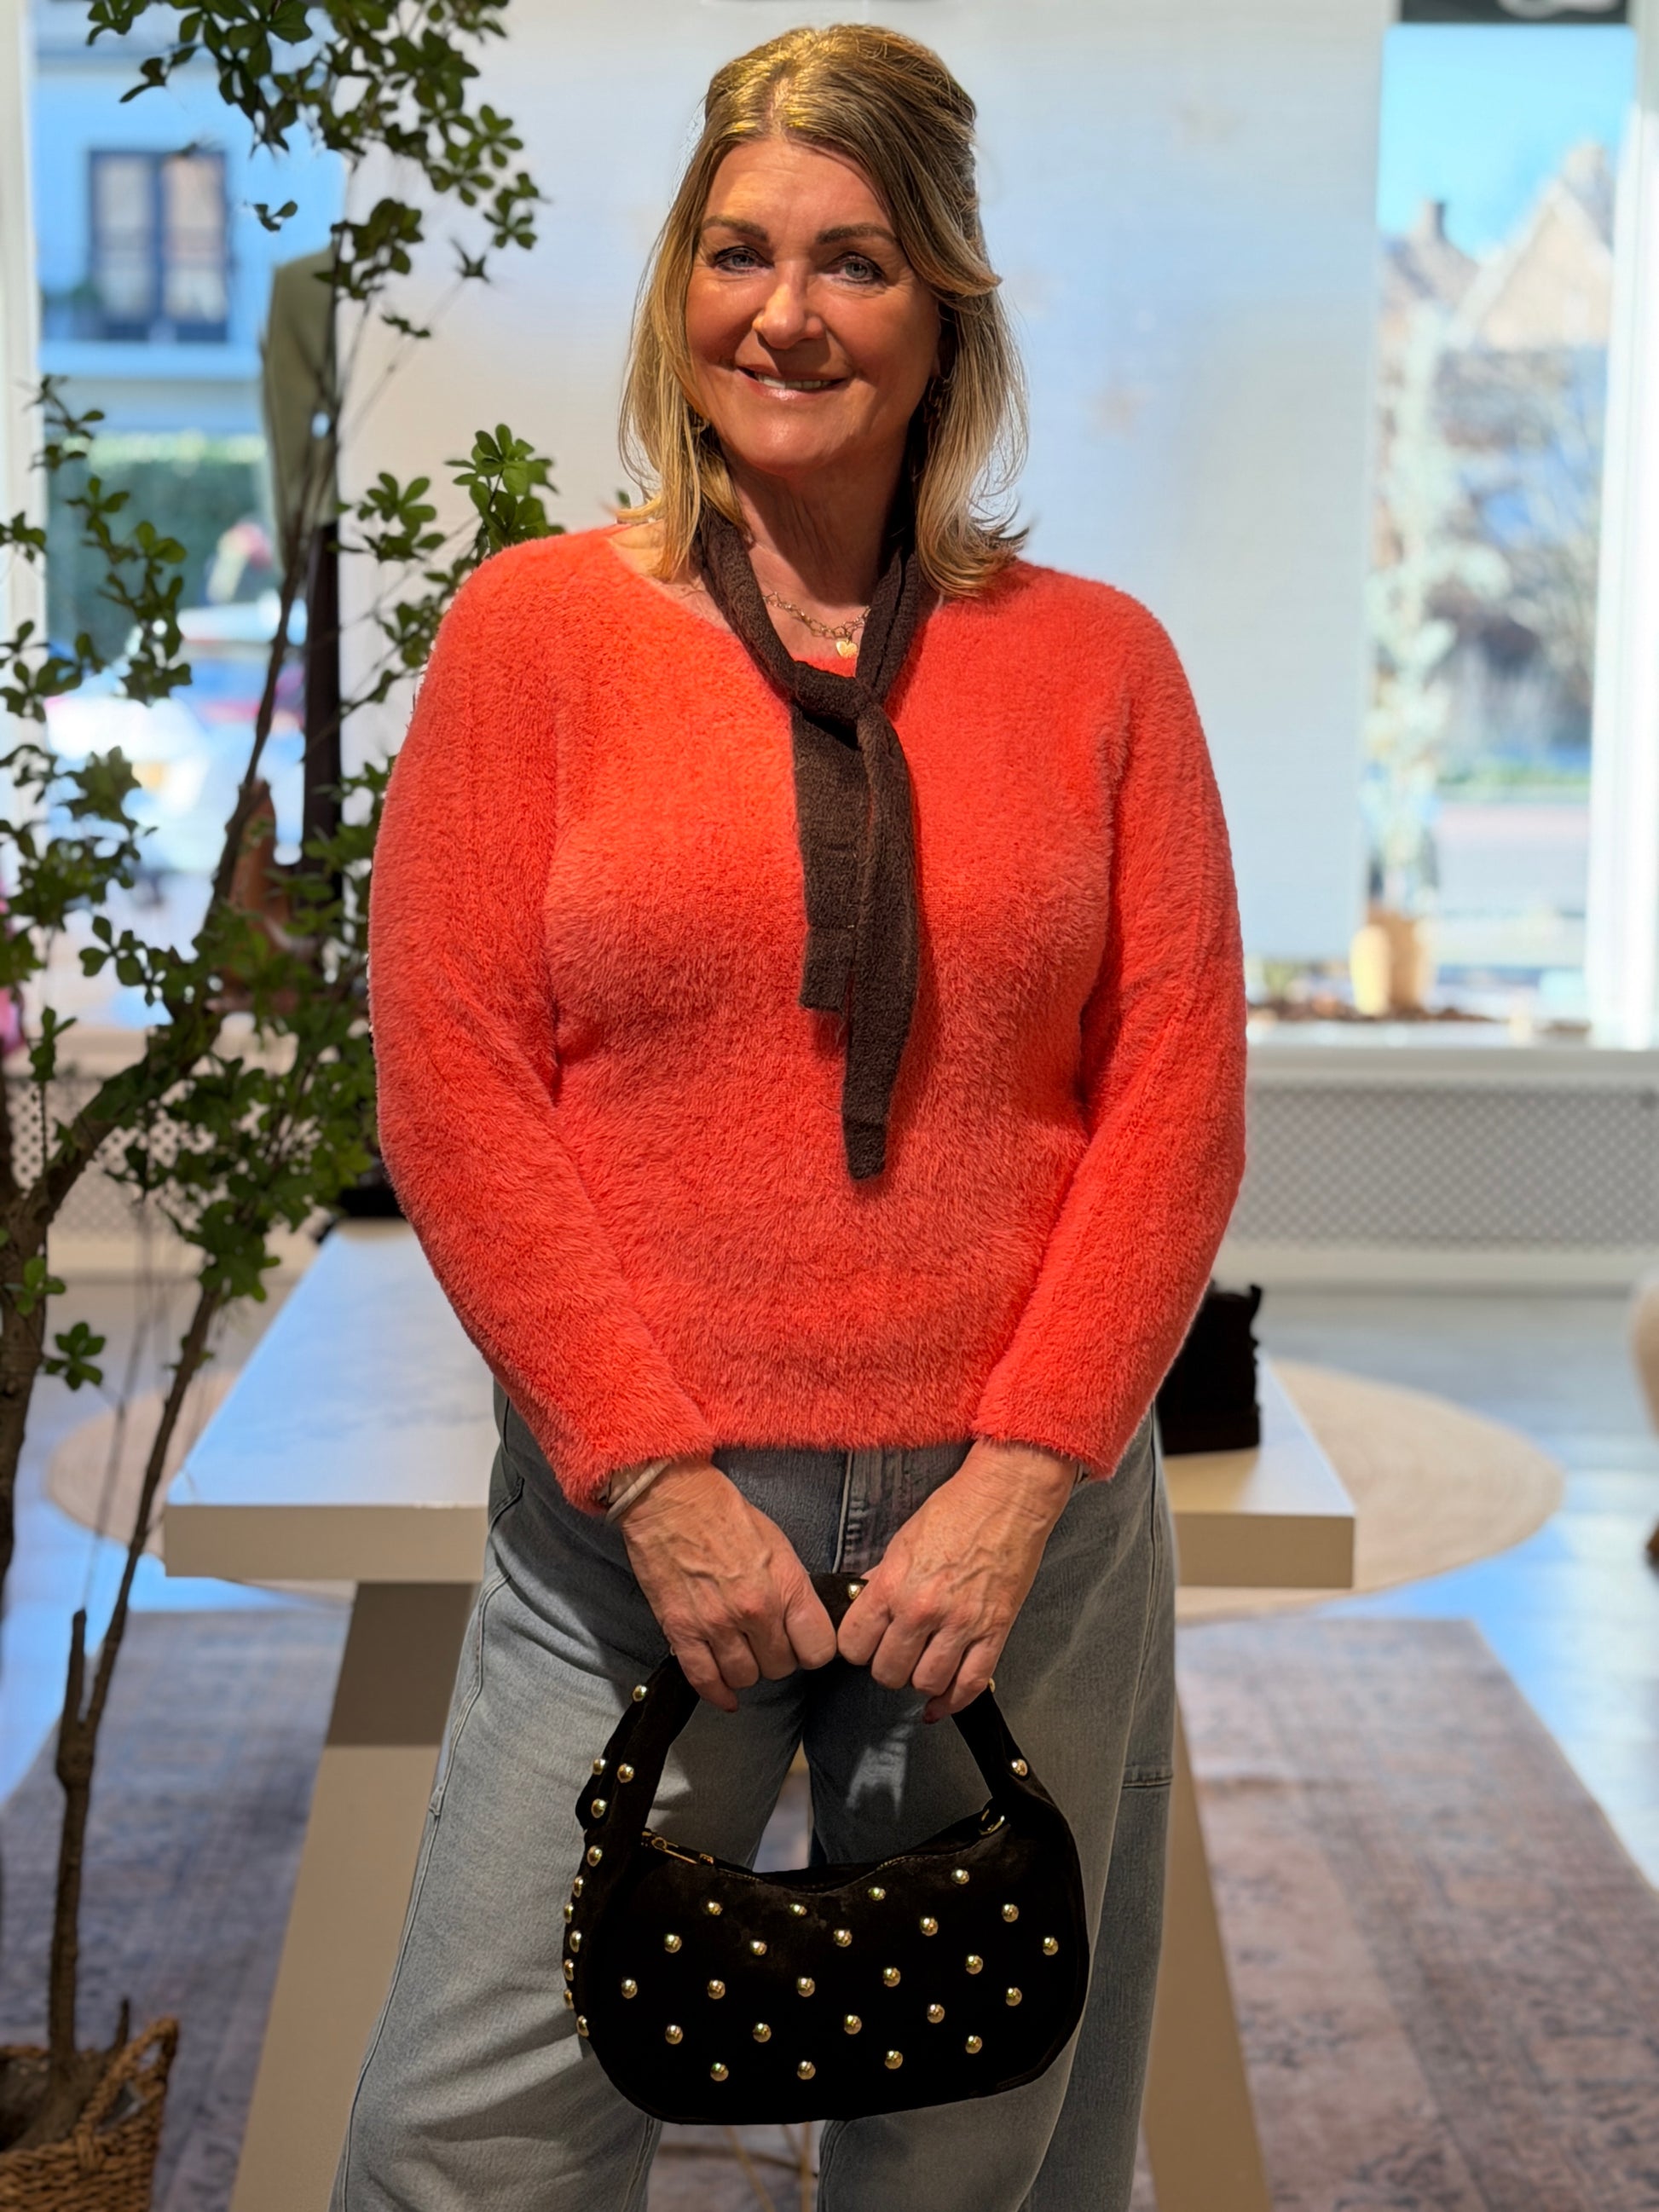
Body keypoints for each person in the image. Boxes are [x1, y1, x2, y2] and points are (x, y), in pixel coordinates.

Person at [333, 21, 1246, 2211]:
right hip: (640, 1523)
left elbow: (1175, 1092)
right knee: (464, 2140)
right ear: (679, 285)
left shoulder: (1101, 662)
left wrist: (1019, 1481)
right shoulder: (535, 635)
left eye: (853, 260)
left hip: (1011, 1537)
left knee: (980, 2138)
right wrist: (652, 1478)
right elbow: (454, 1076)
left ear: (945, 310)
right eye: (736, 251)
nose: (784, 313)